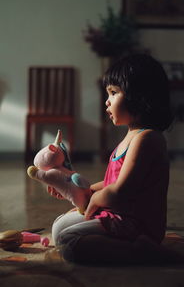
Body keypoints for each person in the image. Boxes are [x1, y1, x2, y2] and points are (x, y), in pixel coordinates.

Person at [49, 54, 174, 264]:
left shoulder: (147, 139)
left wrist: (92, 203)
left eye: (114, 93)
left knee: (67, 240)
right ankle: (125, 246)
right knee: (59, 227)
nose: (106, 101)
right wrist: (85, 193)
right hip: (118, 215)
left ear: (139, 96)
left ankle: (142, 251)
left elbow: (120, 191)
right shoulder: (131, 135)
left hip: (135, 224)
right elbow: (111, 184)